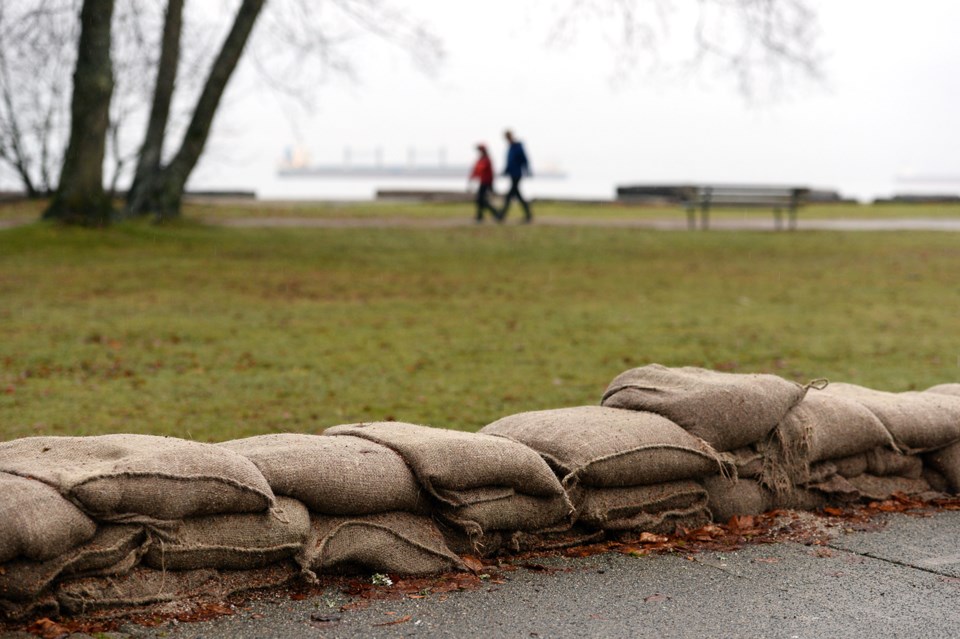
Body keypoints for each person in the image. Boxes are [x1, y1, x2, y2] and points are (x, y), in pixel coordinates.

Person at [500, 129, 532, 223]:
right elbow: (509, 162)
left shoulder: (517, 147)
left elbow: (524, 159)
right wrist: (505, 171)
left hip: (517, 174)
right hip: (512, 174)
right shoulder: (510, 148)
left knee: (510, 195)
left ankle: (502, 215)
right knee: (517, 195)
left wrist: (527, 171)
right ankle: (528, 214)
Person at [468, 143, 499, 223]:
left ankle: (493, 214)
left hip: (486, 182)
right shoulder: (481, 159)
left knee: (481, 199)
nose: (479, 152)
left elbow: (481, 169)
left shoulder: (486, 159)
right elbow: (476, 169)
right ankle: (481, 215)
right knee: (480, 199)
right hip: (483, 181)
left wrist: (473, 175)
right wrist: (472, 176)